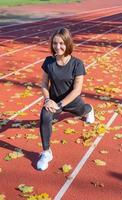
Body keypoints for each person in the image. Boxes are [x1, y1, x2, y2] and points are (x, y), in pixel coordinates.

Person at [37, 27, 95, 171]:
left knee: (83, 110)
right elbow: (44, 83)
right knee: (45, 115)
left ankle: (90, 110)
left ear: (68, 44)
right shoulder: (48, 62)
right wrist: (47, 100)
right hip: (54, 101)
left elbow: (77, 90)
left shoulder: (77, 64)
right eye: (55, 43)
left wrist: (61, 105)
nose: (58, 47)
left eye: (61, 43)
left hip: (72, 101)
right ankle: (46, 152)